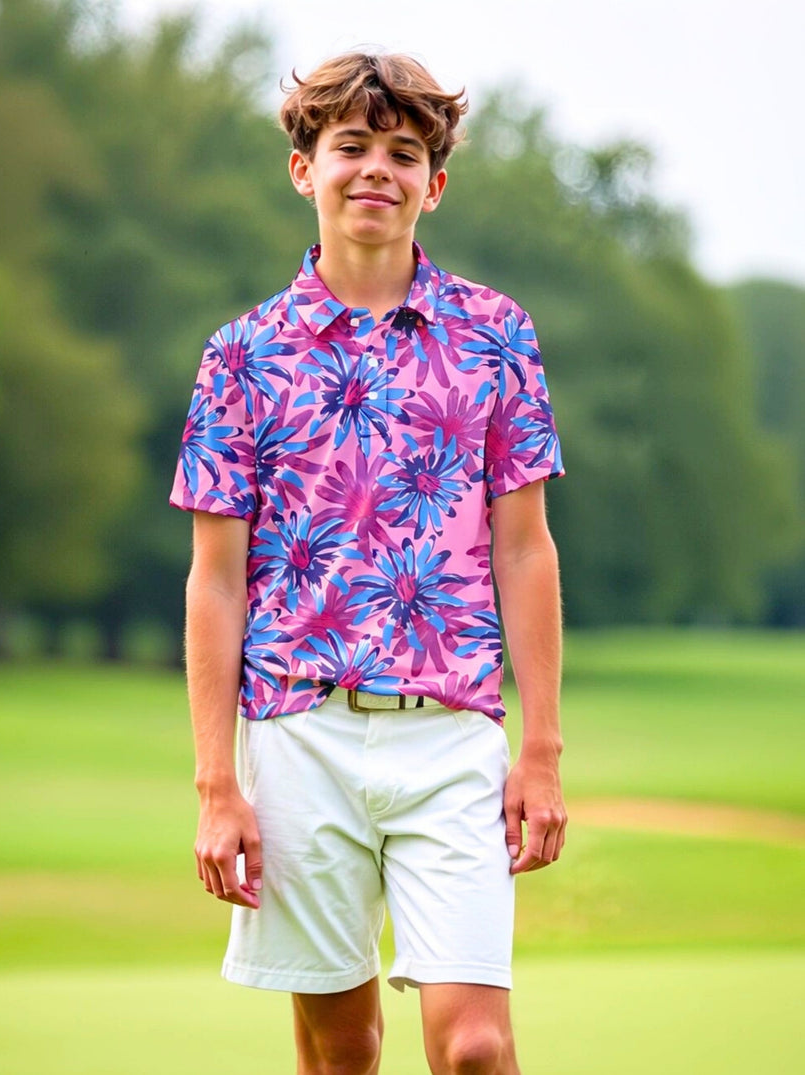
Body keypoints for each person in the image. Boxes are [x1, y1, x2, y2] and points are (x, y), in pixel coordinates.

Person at [170, 50, 567, 1075]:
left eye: (403, 152)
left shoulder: (496, 335)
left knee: (474, 1044)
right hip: (295, 733)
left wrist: (543, 751)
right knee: (340, 1048)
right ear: (304, 169)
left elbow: (524, 549)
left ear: (434, 185)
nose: (375, 170)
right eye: (349, 146)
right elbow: (214, 579)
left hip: (451, 739)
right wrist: (217, 783)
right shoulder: (241, 355)